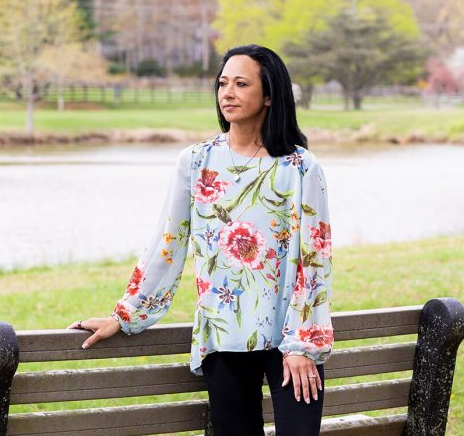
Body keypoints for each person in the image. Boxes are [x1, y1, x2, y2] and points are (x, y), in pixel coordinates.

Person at [69, 44, 333, 436]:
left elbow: (315, 259)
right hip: (224, 335)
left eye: (241, 84)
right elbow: (168, 241)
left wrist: (301, 345)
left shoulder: (299, 167)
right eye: (223, 83)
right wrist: (125, 315)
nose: (227, 92)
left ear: (269, 95)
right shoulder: (196, 161)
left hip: (289, 340)